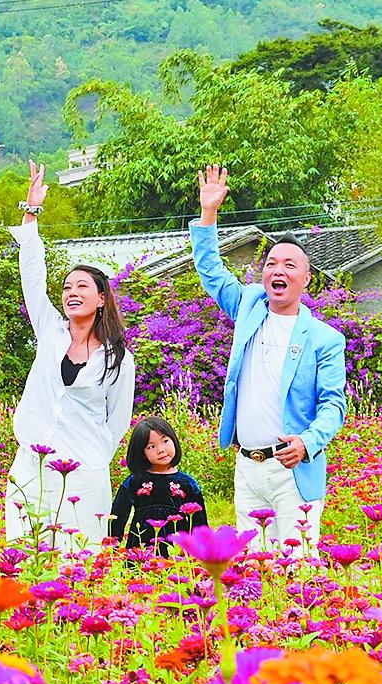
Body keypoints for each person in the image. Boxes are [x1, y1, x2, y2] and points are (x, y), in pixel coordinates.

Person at [189, 163, 348, 560]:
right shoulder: (248, 306)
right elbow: (210, 270)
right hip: (248, 467)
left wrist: (309, 442)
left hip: (292, 471)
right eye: (271, 263)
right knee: (253, 574)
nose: (278, 270)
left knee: (296, 575)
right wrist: (209, 213)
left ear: (307, 279)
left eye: (289, 265)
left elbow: (333, 405)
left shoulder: (325, 340)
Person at [6, 161, 137, 548]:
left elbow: (118, 421)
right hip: (33, 462)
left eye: (82, 286)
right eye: (67, 287)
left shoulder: (116, 358)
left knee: (79, 556)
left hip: (85, 470)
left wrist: (92, 453)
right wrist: (31, 213)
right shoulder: (50, 331)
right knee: (24, 548)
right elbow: (32, 277)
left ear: (101, 299)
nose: (71, 292)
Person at [107, 415, 205, 553]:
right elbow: (118, 516)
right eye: (151, 446)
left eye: (165, 441)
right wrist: (112, 549)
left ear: (174, 440)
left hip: (178, 549)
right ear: (142, 453)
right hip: (141, 549)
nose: (161, 450)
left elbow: (200, 523)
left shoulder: (187, 484)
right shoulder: (135, 482)